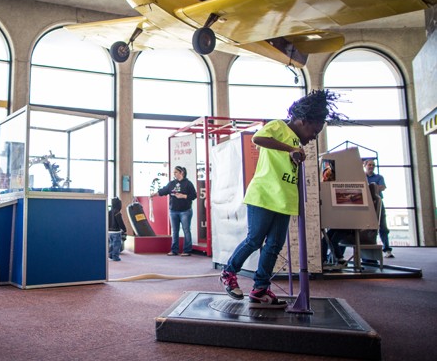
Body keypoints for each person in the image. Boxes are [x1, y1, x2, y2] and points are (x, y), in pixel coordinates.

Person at [220, 89, 345, 308]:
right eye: (314, 131)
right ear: (303, 120)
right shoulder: (279, 126)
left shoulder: (298, 142)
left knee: (274, 245)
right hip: (264, 195)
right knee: (255, 239)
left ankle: (260, 288)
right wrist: (290, 149)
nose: (313, 137)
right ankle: (229, 272)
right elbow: (259, 138)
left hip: (285, 199)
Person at [151, 166, 197, 256]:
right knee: (174, 231)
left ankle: (187, 250)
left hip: (185, 211)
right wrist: (154, 194)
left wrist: (183, 196)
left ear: (181, 173)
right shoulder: (171, 184)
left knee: (186, 230)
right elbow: (163, 191)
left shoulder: (188, 184)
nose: (174, 174)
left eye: (176, 172)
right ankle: (174, 250)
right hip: (173, 211)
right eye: (174, 172)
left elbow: (194, 195)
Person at [364, 159, 393, 258]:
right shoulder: (362, 177)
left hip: (378, 203)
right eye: (369, 165)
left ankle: (387, 249)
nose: (371, 166)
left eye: (373, 165)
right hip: (367, 204)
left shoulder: (379, 177)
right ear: (365, 166)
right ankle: (370, 248)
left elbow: (382, 187)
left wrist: (371, 187)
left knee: (383, 226)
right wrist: (374, 187)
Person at [108, 197, 127, 261]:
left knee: (111, 244)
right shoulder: (117, 213)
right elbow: (120, 222)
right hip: (116, 232)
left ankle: (110, 255)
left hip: (109, 232)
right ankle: (115, 257)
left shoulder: (109, 212)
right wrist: (124, 229)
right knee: (117, 245)